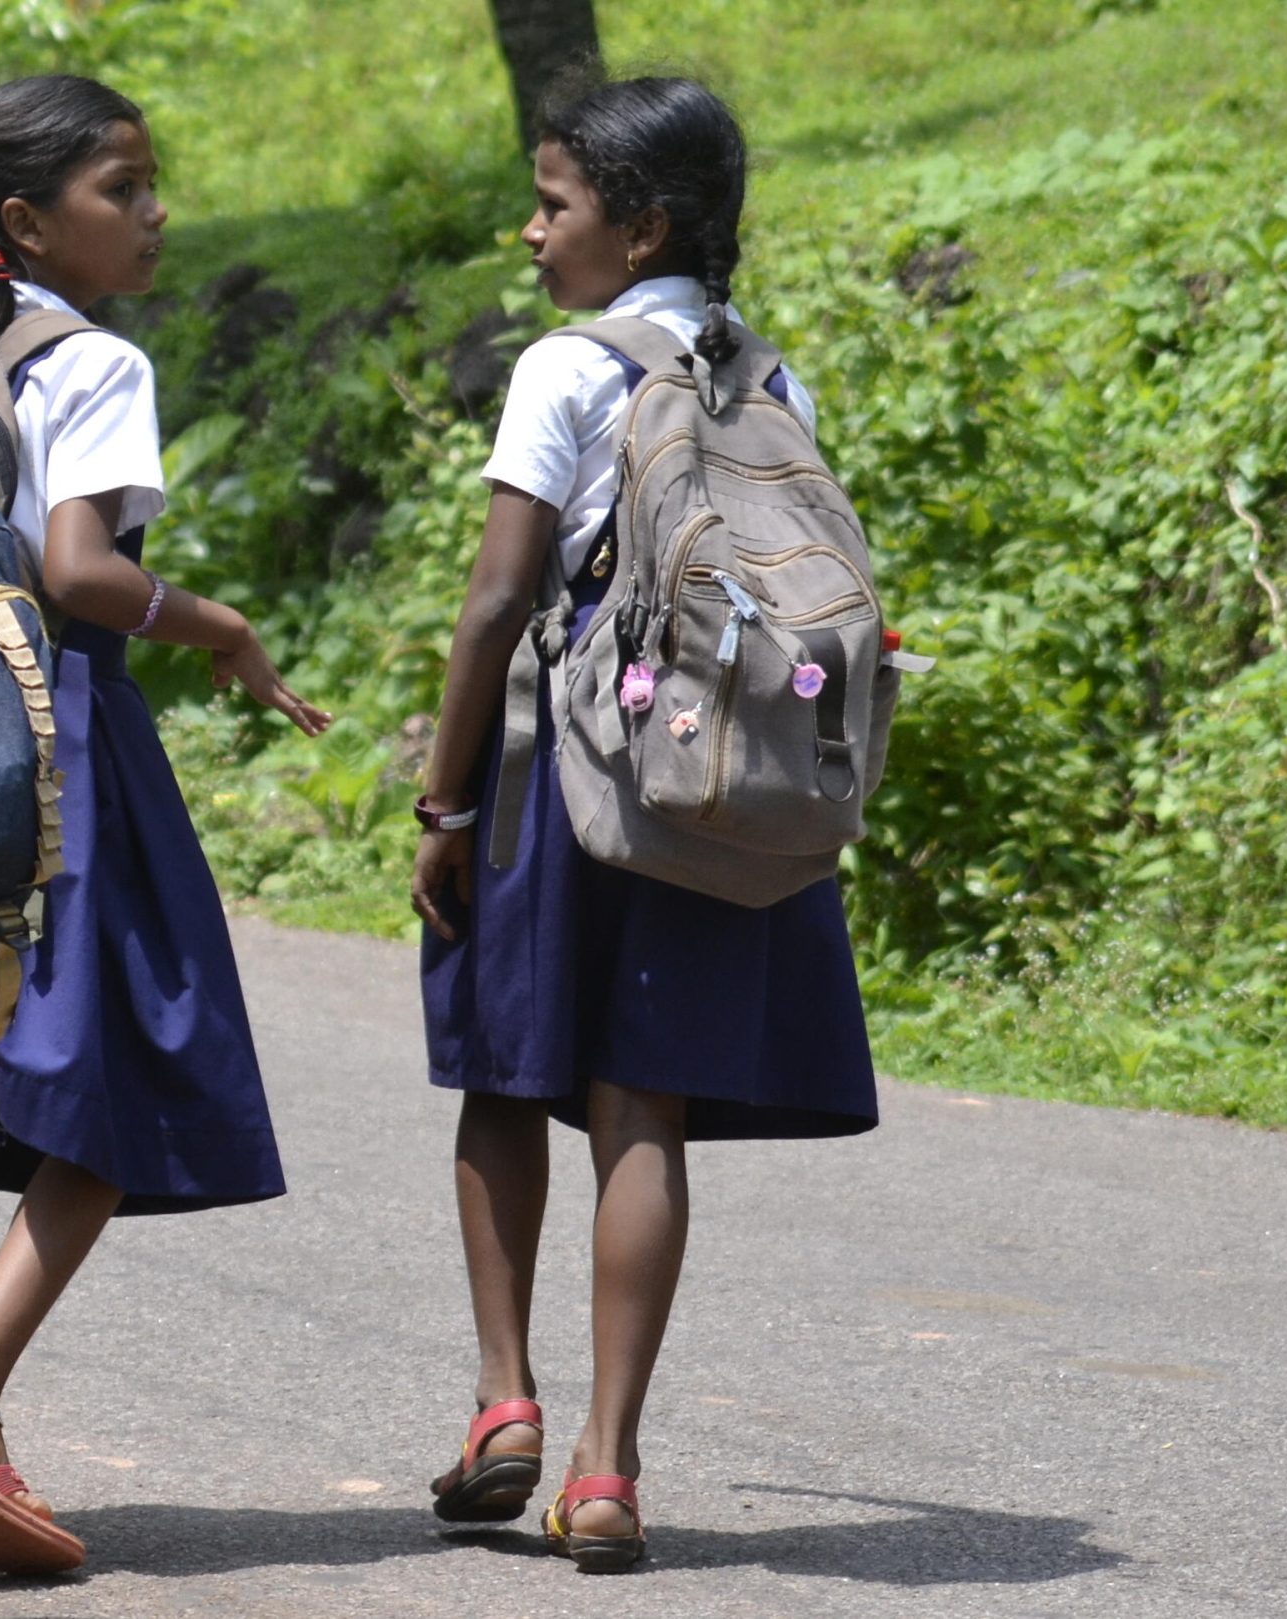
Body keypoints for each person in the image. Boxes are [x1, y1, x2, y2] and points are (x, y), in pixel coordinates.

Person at [408, 75, 879, 1572]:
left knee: (501, 1077)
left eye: (557, 205)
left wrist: (443, 793)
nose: (534, 230)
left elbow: (496, 601)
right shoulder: (772, 377)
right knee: (642, 1109)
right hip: (714, 780)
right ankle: (607, 1466)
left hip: (568, 773)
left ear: (643, 223)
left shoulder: (567, 365)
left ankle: (503, 1404)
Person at [0, 73, 332, 1577]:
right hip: (65, 734)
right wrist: (217, 622)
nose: (153, 213)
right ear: (27, 219)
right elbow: (78, 567)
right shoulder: (99, 363)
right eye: (122, 188)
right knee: (137, 1057)